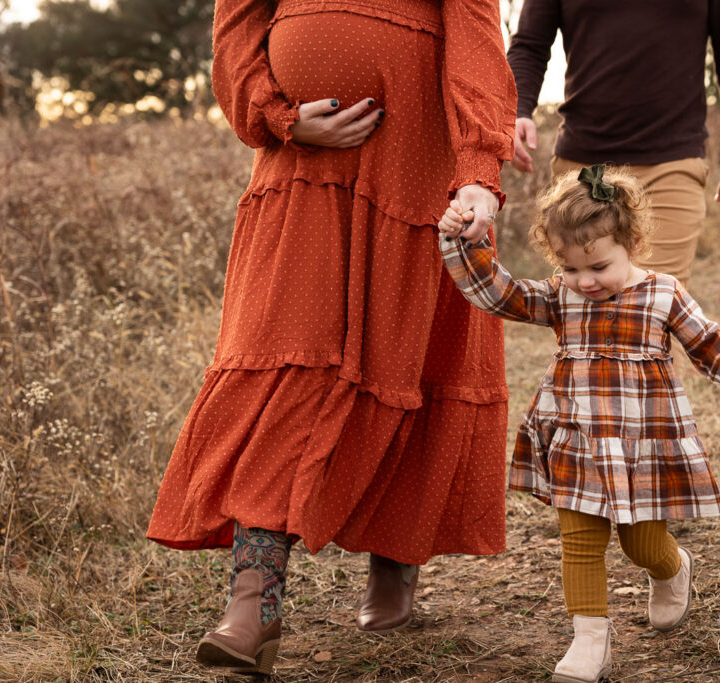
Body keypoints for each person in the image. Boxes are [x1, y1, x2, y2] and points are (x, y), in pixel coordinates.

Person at [146, 0, 515, 674]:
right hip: (301, 165)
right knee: (286, 359)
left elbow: (475, 37)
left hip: (414, 160)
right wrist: (276, 114)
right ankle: (254, 601)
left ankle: (394, 563)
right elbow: (237, 23)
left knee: (407, 357)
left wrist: (478, 171)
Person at [437, 165, 720, 683]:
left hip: (643, 442)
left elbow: (710, 343)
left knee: (641, 543)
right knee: (579, 539)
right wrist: (462, 240)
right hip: (576, 439)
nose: (584, 281)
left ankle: (673, 568)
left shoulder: (662, 293)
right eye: (570, 268)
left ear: (632, 243)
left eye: (598, 266)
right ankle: (589, 640)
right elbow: (499, 293)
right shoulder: (563, 295)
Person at [506, 0, 720, 289]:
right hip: (583, 167)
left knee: (654, 305)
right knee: (584, 304)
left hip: (669, 163)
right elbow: (529, 44)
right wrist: (515, 111)